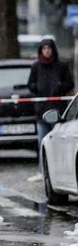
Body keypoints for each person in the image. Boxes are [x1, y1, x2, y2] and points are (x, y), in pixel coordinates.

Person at [27, 38, 74, 176]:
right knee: (42, 142)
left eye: (49, 48)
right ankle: (43, 172)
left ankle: (61, 171)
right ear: (41, 51)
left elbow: (69, 84)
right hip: (42, 111)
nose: (47, 51)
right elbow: (30, 84)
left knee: (59, 143)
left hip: (58, 111)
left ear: (53, 50)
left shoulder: (61, 66)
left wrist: (60, 86)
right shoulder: (36, 66)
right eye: (44, 49)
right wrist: (38, 88)